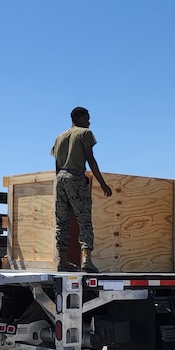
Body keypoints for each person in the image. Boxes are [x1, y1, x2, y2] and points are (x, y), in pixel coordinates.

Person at [50, 106, 112, 272]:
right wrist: (102, 183)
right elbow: (90, 159)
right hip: (76, 177)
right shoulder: (85, 133)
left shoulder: (59, 137)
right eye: (87, 118)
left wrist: (60, 182)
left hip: (60, 178)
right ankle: (86, 260)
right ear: (81, 118)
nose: (89, 122)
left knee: (62, 222)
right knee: (84, 220)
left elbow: (56, 164)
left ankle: (62, 261)